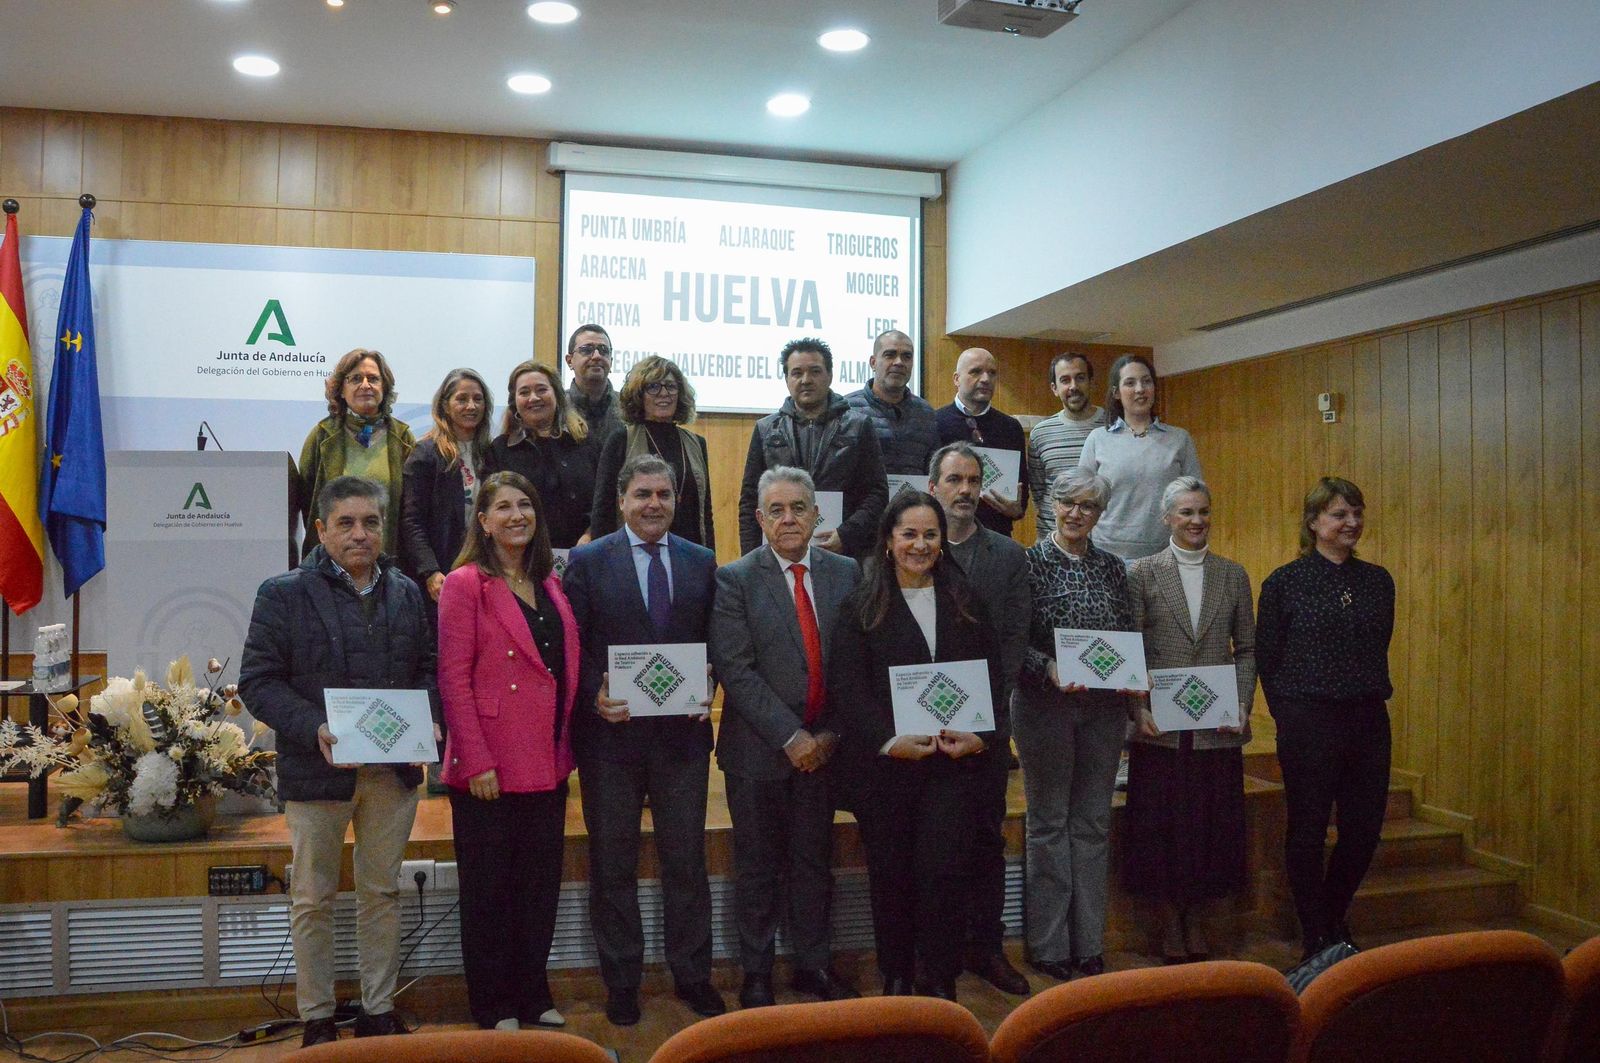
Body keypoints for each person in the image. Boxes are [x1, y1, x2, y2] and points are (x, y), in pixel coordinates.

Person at [240, 476, 438, 1047]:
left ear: (383, 528)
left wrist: (432, 716)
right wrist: (315, 729)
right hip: (316, 770)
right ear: (321, 530)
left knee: (382, 892)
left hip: (393, 774)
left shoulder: (405, 592)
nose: (360, 533)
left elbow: (427, 669)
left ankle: (378, 1010)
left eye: (371, 522)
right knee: (312, 898)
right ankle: (317, 1017)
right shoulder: (282, 593)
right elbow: (258, 682)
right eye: (346, 523)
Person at [562, 455, 725, 1025]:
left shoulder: (702, 562)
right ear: (621, 501)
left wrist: (712, 680)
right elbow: (571, 649)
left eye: (663, 494)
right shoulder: (585, 561)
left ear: (676, 499)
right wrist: (591, 696)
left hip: (681, 738)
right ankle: (622, 982)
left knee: (687, 863)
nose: (653, 504)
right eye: (642, 494)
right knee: (613, 866)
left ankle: (694, 975)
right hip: (611, 741)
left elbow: (717, 641)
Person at [828, 491, 1002, 1001]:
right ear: (887, 540)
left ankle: (941, 975)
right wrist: (887, 742)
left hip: (951, 769)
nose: (920, 544)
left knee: (943, 873)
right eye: (909, 534)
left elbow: (992, 678)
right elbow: (848, 688)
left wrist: (982, 736)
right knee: (893, 875)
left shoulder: (967, 601)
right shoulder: (860, 604)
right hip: (887, 770)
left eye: (930, 534)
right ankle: (898, 974)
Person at [710, 466, 862, 1008]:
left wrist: (830, 735)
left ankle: (813, 967)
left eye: (799, 507)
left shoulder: (847, 573)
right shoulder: (734, 578)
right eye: (776, 510)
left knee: (812, 865)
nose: (789, 518)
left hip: (825, 750)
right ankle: (756, 973)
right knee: (757, 869)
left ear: (818, 513)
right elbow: (736, 668)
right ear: (759, 519)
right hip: (757, 754)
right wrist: (791, 737)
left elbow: (857, 663)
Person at [436, 472, 579, 1031]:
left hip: (546, 757)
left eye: (526, 504)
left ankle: (533, 995)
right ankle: (492, 1004)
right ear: (483, 519)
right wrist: (476, 760)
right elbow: (453, 678)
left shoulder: (551, 582)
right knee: (489, 893)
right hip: (488, 766)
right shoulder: (465, 583)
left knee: (538, 889)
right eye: (504, 506)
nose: (517, 514)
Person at [1256, 476, 1394, 961]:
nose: (1352, 522)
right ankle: (1315, 933)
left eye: (1357, 513)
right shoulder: (1284, 583)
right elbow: (1267, 659)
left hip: (1368, 719)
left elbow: (1378, 647)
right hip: (1308, 720)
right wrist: (1287, 716)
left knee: (1364, 830)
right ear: (1314, 523)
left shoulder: (1378, 580)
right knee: (1309, 828)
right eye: (1340, 514)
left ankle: (1333, 914)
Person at [1124, 476, 1256, 963]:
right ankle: (1168, 924)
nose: (1197, 521)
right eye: (1186, 513)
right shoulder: (1142, 573)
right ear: (1167, 519)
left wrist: (1242, 702)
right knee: (1164, 826)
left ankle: (1197, 920)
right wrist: (1136, 708)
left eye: (1203, 511)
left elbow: (1246, 648)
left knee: (1210, 826)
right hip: (1161, 725)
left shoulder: (1233, 574)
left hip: (1216, 727)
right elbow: (1130, 649)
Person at [1013, 467, 1137, 981]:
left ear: (1100, 514)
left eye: (1088, 506)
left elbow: (1128, 632)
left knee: (1091, 823)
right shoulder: (1027, 564)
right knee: (1047, 824)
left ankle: (1088, 941)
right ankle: (1048, 946)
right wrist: (1048, 666)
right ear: (1052, 505)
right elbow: (1011, 639)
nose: (1076, 513)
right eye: (1068, 502)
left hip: (1104, 712)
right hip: (1045, 707)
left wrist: (1134, 684)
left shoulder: (1112, 568)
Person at [926, 442, 1031, 996]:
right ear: (933, 487)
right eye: (954, 480)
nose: (965, 490)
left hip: (985, 727)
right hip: (919, 726)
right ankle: (934, 954)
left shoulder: (1009, 557)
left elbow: (1013, 643)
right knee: (930, 846)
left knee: (986, 840)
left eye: (973, 480)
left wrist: (983, 722)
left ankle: (987, 948)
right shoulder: (911, 550)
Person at [738, 337, 887, 559]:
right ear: (787, 379)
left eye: (815, 371)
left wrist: (846, 535)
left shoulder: (859, 426)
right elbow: (750, 500)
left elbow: (877, 494)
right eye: (797, 373)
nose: (806, 380)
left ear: (830, 375)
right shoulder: (766, 429)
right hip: (780, 552)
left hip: (843, 553)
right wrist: (751, 560)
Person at [1077, 354, 1201, 561]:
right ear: (1116, 392)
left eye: (1146, 381)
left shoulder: (1180, 439)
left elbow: (1195, 500)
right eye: (1130, 383)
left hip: (1166, 556)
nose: (1139, 389)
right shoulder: (1097, 439)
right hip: (1107, 556)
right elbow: (1082, 500)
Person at [296, 348, 415, 558]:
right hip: (331, 564)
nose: (365, 385)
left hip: (390, 564)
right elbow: (307, 501)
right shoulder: (321, 436)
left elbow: (413, 510)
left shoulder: (403, 438)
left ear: (384, 387)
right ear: (341, 389)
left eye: (373, 379)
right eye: (356, 378)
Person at [590, 355, 714, 547]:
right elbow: (602, 511)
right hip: (631, 555)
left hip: (689, 556)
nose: (664, 393)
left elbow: (705, 514)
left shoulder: (696, 443)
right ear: (639, 394)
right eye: (654, 387)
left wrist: (710, 562)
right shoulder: (621, 440)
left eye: (671, 387)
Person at [400, 368, 491, 607]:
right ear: (445, 405)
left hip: (487, 571)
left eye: (477, 399)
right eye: (462, 399)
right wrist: (430, 571)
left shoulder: (492, 454)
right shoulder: (426, 454)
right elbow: (412, 521)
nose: (471, 406)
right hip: (441, 574)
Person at [485, 361, 598, 549]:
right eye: (524, 392)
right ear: (514, 402)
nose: (534, 398)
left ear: (557, 395)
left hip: (586, 553)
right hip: (523, 557)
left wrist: (590, 535)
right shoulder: (499, 450)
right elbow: (493, 508)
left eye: (541, 389)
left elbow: (606, 499)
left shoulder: (586, 443)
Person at [935, 347, 1028, 538]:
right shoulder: (934, 423)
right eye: (976, 371)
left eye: (992, 373)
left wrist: (1017, 509)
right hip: (945, 538)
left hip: (997, 537)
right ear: (956, 379)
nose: (986, 379)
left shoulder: (1011, 427)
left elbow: (1022, 497)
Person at [1027, 353, 1107, 540]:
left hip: (1104, 545)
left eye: (1080, 378)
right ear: (1054, 388)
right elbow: (1039, 494)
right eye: (1065, 380)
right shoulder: (1040, 433)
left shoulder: (1114, 427)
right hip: (1052, 545)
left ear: (1092, 382)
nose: (1073, 386)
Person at [846, 329, 940, 477]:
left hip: (914, 499)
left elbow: (933, 472)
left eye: (906, 356)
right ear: (873, 362)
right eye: (890, 355)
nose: (899, 362)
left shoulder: (926, 413)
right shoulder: (847, 410)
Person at [565, 323, 623, 446]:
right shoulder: (557, 408)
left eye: (604, 351)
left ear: (611, 361)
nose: (597, 356)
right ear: (570, 361)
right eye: (587, 350)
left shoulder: (629, 407)